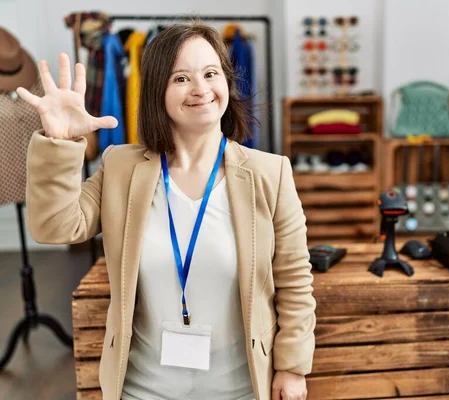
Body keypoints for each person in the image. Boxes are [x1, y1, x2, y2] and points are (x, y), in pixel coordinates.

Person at [17, 20, 316, 400]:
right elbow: (55, 227)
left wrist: (292, 366)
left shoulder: (270, 173)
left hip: (241, 387)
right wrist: (59, 144)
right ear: (157, 89)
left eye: (211, 73)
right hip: (144, 388)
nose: (200, 89)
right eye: (180, 78)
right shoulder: (121, 167)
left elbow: (294, 280)